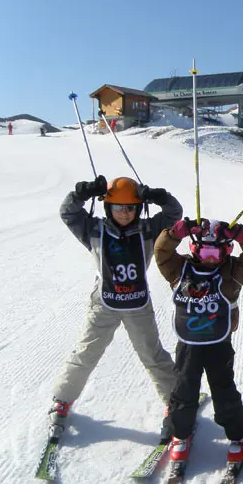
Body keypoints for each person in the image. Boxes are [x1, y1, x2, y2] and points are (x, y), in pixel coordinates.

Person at [49, 176, 182, 438]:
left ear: (139, 207)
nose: (125, 213)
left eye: (131, 207)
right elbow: (68, 212)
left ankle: (176, 402)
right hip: (104, 304)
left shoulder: (148, 229)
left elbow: (174, 214)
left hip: (137, 304)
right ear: (108, 207)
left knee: (152, 355)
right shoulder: (94, 229)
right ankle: (62, 400)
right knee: (86, 352)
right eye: (118, 207)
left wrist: (159, 195)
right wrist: (82, 193)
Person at [154, 217, 243, 463]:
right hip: (188, 345)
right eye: (205, 250)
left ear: (227, 250)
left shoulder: (232, 271)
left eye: (217, 251)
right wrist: (174, 233)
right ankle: (179, 434)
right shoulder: (179, 269)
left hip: (218, 345)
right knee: (183, 389)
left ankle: (238, 434)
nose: (211, 258)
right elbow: (161, 252)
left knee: (224, 390)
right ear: (194, 248)